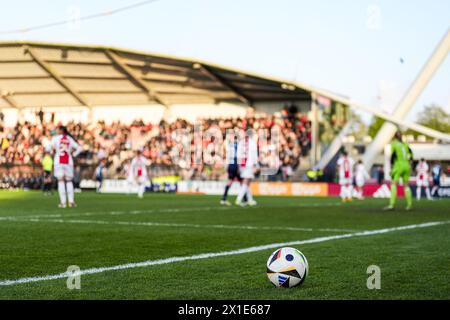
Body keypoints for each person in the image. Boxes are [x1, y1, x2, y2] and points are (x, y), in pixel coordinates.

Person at [50, 125, 82, 208]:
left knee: (61, 181)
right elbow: (79, 148)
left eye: (57, 130)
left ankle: (63, 202)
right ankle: (71, 201)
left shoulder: (56, 138)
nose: (56, 131)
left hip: (59, 161)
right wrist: (73, 154)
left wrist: (51, 151)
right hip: (68, 161)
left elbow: (48, 147)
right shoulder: (69, 138)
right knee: (69, 181)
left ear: (61, 130)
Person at [384, 131, 413, 211]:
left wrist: (391, 167)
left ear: (394, 137)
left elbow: (393, 155)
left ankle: (391, 205)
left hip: (398, 165)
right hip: (406, 165)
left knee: (393, 183)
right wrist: (409, 163)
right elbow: (411, 155)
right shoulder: (405, 144)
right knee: (406, 185)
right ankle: (409, 205)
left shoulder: (394, 144)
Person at [235, 130, 258, 207]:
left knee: (247, 183)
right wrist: (255, 165)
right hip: (249, 164)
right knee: (246, 181)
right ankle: (238, 199)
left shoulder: (241, 142)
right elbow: (254, 155)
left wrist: (238, 166)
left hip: (242, 164)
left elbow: (238, 154)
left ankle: (250, 200)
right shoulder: (252, 143)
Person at [221, 132, 244, 206]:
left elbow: (227, 156)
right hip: (235, 165)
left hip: (230, 166)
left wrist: (227, 166)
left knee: (231, 181)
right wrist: (239, 167)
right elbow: (238, 157)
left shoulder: (229, 146)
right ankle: (245, 199)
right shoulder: (237, 146)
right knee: (243, 182)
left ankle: (223, 199)